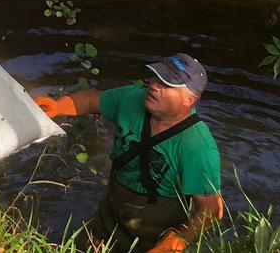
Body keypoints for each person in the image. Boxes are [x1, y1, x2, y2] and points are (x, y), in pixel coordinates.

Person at [35, 54, 223, 252]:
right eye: (157, 76)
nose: (155, 86)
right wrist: (58, 106)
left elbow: (211, 210)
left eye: (167, 85)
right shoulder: (130, 99)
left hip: (153, 240)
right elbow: (92, 100)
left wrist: (176, 243)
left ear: (190, 100)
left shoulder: (198, 147)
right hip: (106, 222)